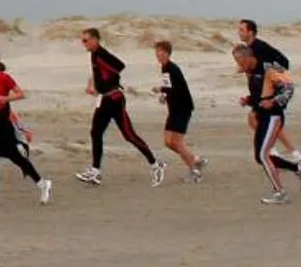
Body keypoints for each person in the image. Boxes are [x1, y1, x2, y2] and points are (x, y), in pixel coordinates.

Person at [75, 27, 163, 186]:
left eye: (85, 40)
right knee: (95, 132)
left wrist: (108, 84)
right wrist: (95, 86)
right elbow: (97, 73)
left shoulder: (102, 54)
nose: (83, 44)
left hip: (114, 100)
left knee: (129, 135)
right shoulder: (94, 54)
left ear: (95, 40)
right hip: (104, 100)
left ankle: (156, 164)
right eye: (82, 41)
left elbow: (119, 67)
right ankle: (95, 172)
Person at [0, 45, 51, 204]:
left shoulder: (4, 77)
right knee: (13, 156)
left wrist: (6, 99)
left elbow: (21, 94)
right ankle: (42, 184)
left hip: (2, 120)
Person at [236, 46, 301, 204]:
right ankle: (299, 169)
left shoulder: (268, 68)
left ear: (248, 57)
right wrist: (248, 100)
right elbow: (260, 95)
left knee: (263, 154)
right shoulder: (250, 71)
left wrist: (274, 101)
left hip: (274, 116)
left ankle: (280, 193)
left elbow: (289, 87)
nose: (238, 66)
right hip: (262, 116)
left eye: (240, 61)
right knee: (260, 157)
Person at [238, 19, 301, 171]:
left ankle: (284, 152)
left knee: (260, 119)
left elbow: (282, 62)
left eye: (242, 30)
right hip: (260, 91)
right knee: (257, 120)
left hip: (273, 90)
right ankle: (284, 152)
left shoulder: (258, 46)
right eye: (239, 30)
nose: (239, 32)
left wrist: (273, 83)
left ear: (251, 32)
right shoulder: (248, 49)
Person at [154, 39, 205, 181]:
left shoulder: (172, 68)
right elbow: (169, 87)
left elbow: (178, 88)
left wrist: (161, 89)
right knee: (168, 142)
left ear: (167, 53)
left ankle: (194, 171)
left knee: (176, 141)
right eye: (157, 52)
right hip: (174, 109)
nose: (158, 55)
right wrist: (164, 95)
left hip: (183, 108)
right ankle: (196, 160)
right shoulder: (164, 68)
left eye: (161, 52)